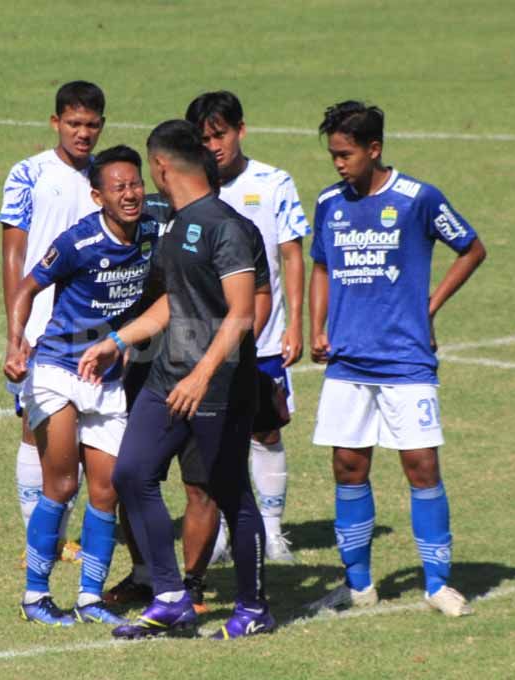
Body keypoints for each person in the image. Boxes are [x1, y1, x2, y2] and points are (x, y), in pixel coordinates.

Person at [79, 120, 275, 640]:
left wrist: (203, 374)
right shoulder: (176, 225)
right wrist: (118, 341)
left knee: (231, 495)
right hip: (168, 377)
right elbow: (173, 302)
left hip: (218, 386)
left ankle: (254, 608)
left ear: (162, 167)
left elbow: (240, 315)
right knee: (132, 473)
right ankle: (170, 597)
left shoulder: (227, 228)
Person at [305, 101, 486, 618]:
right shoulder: (329, 202)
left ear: (374, 149)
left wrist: (428, 306)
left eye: (346, 154)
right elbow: (321, 267)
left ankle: (437, 584)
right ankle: (358, 584)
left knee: (421, 465)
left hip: (405, 360)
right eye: (333, 155)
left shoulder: (416, 198)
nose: (338, 164)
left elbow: (471, 248)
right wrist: (316, 327)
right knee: (348, 465)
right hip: (348, 363)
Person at [4, 146, 159, 627]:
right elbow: (28, 287)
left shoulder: (153, 232)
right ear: (98, 196)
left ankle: (90, 598)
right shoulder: (78, 242)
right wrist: (15, 344)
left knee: (106, 492)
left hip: (106, 378)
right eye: (119, 188)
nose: (131, 194)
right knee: (62, 484)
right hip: (56, 370)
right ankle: (35, 595)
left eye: (135, 184)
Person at [188, 91, 310, 564]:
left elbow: (292, 255)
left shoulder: (274, 182)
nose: (214, 146)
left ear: (241, 129)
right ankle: (219, 533)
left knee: (266, 430)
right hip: (208, 343)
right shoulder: (192, 187)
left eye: (220, 135)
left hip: (262, 339)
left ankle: (274, 533)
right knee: (212, 438)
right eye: (205, 138)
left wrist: (293, 324)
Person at [0, 81, 106, 565]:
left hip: (98, 328)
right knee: (34, 429)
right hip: (41, 323)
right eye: (74, 124)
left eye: (91, 125)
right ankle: (38, 539)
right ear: (55, 122)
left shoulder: (109, 178)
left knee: (87, 432)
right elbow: (13, 253)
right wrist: (14, 333)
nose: (83, 133)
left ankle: (60, 534)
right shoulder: (29, 174)